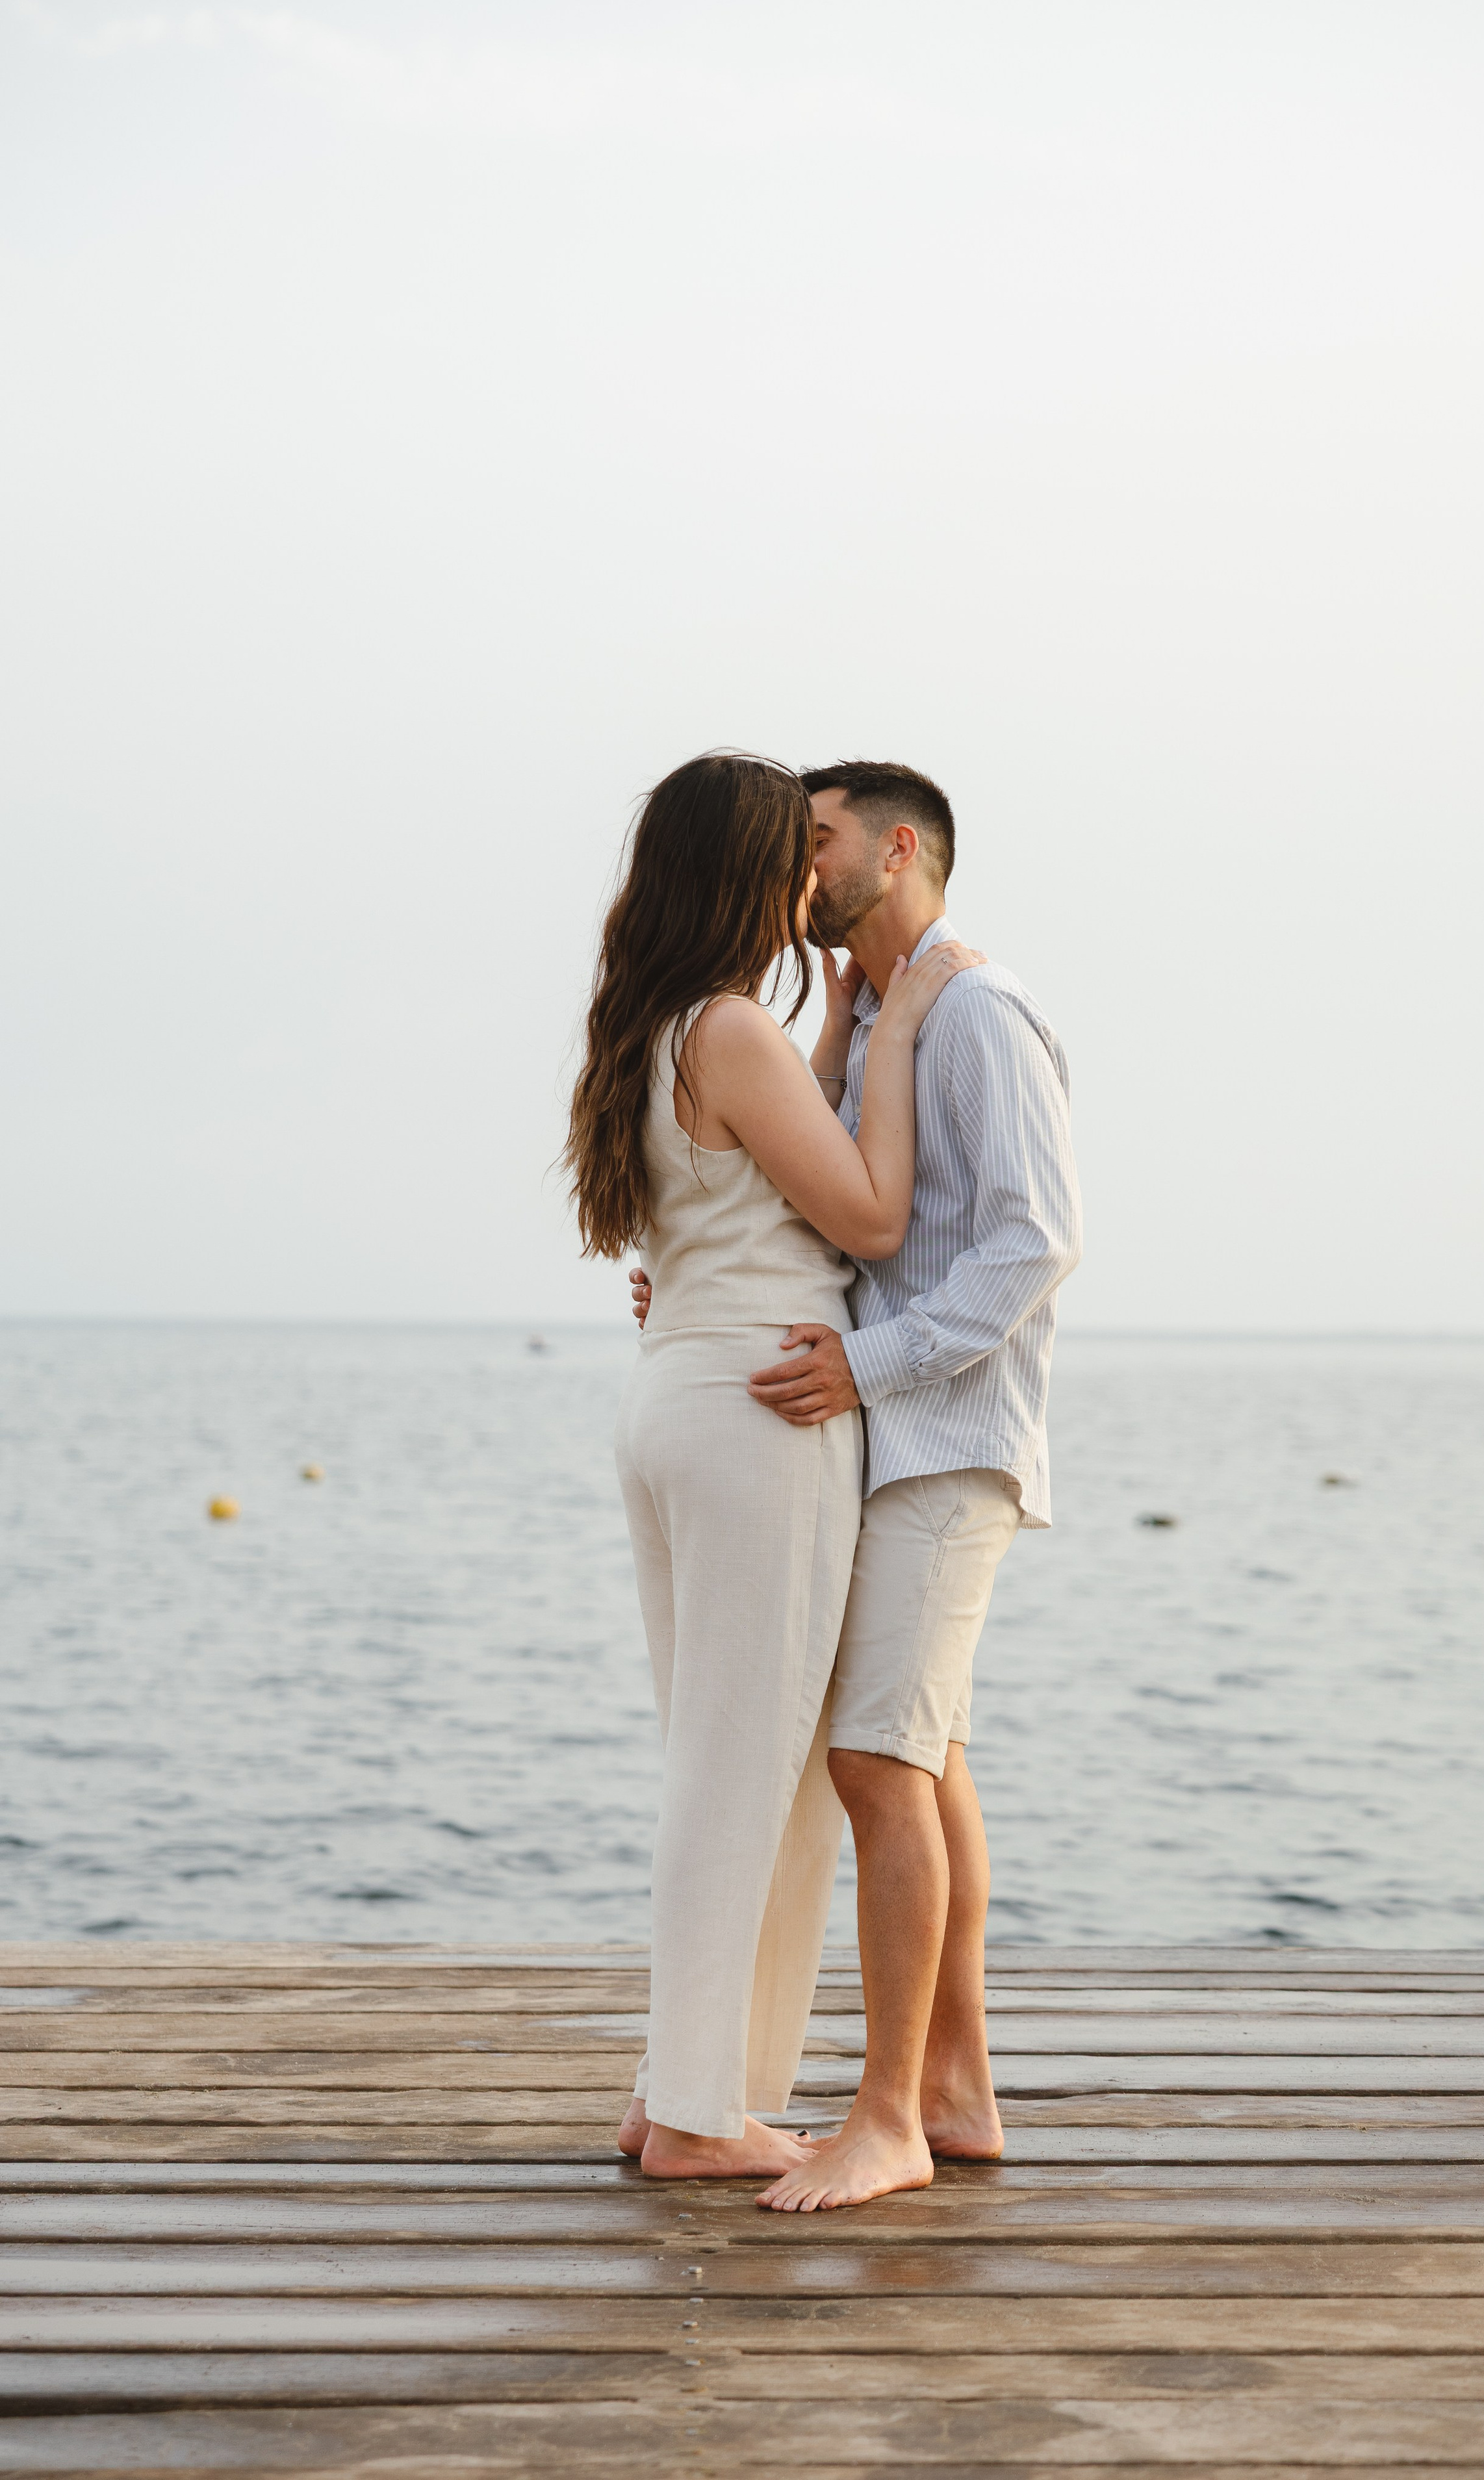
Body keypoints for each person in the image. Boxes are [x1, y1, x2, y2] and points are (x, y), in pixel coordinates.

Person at [633, 758, 1082, 2211]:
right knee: (920, 1754)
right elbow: (815, 1207)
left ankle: (888, 2115)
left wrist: (869, 1363)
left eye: (818, 841)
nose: (799, 863)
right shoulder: (870, 1017)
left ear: (894, 853)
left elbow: (1031, 1244)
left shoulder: (972, 1014)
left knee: (878, 1761)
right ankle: (951, 2088)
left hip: (944, 1436)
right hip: (877, 1429)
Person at [566, 751, 983, 2180]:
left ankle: (681, 2091)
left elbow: (758, 1175)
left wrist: (860, 1013)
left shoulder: (663, 1026)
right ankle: (693, 2116)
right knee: (743, 1777)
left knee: (725, 1763)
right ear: (748, 872)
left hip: (679, 1395)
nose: (814, 876)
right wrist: (909, 1028)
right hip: (762, 1416)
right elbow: (868, 1213)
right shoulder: (731, 1028)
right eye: (792, 854)